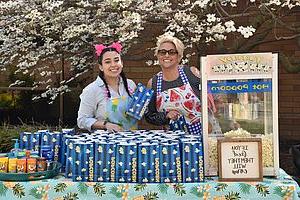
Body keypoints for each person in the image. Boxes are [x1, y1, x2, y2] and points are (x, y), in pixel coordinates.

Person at [144, 35, 222, 135]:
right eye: (162, 52)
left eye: (172, 52)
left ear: (179, 56)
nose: (166, 55)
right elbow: (150, 116)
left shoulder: (192, 73)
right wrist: (166, 116)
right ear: (157, 56)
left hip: (204, 134)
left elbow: (212, 99)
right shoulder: (153, 83)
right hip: (173, 142)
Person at [77, 42, 137, 132]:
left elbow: (136, 112)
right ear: (101, 67)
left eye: (116, 60)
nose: (113, 65)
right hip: (105, 143)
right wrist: (105, 125)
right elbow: (82, 120)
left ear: (122, 63)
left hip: (131, 141)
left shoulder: (131, 85)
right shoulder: (92, 90)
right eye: (108, 62)